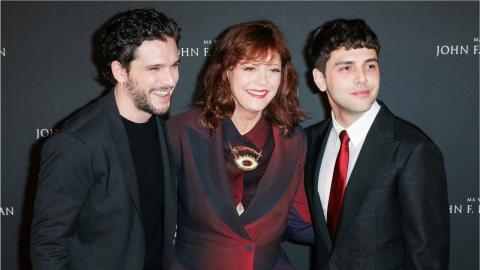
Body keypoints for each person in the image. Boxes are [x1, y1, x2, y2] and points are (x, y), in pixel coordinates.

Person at [30, 8, 180, 270]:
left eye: (175, 65)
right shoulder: (76, 143)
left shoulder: (161, 124)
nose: (170, 80)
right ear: (120, 71)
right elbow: (48, 249)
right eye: (155, 68)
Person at [304, 18, 450, 269]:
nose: (362, 78)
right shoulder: (308, 142)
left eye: (370, 65)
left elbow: (427, 258)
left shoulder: (412, 149)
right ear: (320, 79)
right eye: (346, 68)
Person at [167, 20, 312, 270]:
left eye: (272, 70)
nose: (263, 81)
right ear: (226, 71)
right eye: (249, 68)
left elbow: (300, 221)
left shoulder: (293, 139)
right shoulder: (181, 132)